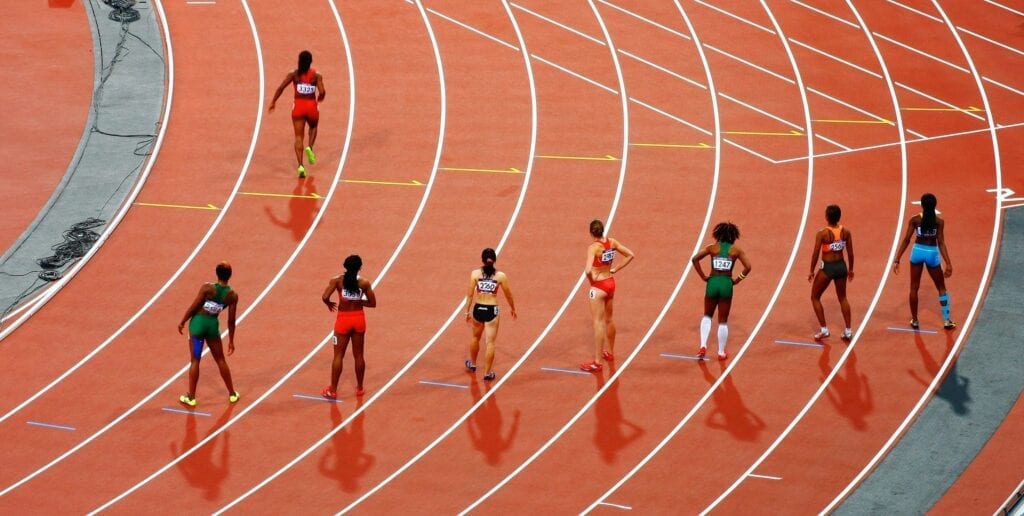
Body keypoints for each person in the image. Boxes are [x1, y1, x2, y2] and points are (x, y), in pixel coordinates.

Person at [177, 262, 240, 407]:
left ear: (216, 273)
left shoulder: (207, 288)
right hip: (212, 327)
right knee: (220, 360)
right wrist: (231, 340)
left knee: (195, 360)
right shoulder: (232, 295)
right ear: (230, 275)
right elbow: (231, 320)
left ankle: (191, 397)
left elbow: (194, 306)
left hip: (198, 326)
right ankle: (232, 394)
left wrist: (183, 320)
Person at [892, 193, 955, 330]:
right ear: (935, 205)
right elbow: (941, 243)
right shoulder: (939, 222)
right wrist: (948, 263)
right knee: (941, 287)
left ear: (922, 205)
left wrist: (897, 259)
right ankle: (946, 320)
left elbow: (906, 239)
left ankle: (914, 320)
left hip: (917, 252)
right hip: (932, 253)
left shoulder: (915, 220)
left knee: (914, 288)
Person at [691, 222, 752, 361]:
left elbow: (694, 259)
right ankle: (720, 352)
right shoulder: (736, 251)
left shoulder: (712, 248)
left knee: (707, 315)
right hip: (726, 284)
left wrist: (703, 276)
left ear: (718, 235)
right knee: (723, 321)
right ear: (733, 236)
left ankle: (702, 345)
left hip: (712, 282)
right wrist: (737, 280)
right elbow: (748, 267)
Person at [582, 219, 635, 372]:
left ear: (591, 233)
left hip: (598, 286)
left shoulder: (593, 248)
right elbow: (630, 255)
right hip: (610, 283)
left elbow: (587, 270)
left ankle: (597, 362)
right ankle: (610, 353)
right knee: (609, 319)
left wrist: (592, 281)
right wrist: (616, 269)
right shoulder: (612, 242)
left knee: (598, 323)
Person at [321, 255, 376, 399]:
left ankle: (332, 390)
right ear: (360, 267)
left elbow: (325, 296)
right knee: (359, 355)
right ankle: (360, 388)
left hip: (343, 321)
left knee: (338, 356)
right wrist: (358, 302)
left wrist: (329, 304)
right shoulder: (364, 283)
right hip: (359, 319)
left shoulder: (337, 280)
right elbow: (373, 303)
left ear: (345, 266)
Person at [268, 50, 325, 178]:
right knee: (314, 127)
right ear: (310, 62)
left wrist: (273, 102)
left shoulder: (294, 74)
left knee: (299, 137)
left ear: (299, 61)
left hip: (298, 107)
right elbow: (322, 91)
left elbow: (281, 88)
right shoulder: (316, 76)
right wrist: (320, 98)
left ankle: (300, 166)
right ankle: (310, 147)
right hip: (311, 106)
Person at [464, 248, 517, 381]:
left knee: (475, 337)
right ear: (494, 260)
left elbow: (470, 294)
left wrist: (467, 311)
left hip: (478, 309)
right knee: (490, 343)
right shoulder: (500, 276)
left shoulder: (475, 274)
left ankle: (473, 364)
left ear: (482, 260)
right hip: (492, 310)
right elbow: (508, 294)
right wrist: (513, 308)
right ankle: (487, 373)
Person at [808, 204, 855, 340]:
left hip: (828, 268)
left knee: (815, 297)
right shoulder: (846, 232)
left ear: (827, 217)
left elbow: (815, 253)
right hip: (841, 267)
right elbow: (851, 253)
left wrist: (811, 270)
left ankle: (824, 330)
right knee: (843, 298)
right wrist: (851, 269)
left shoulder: (822, 233)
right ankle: (848, 331)